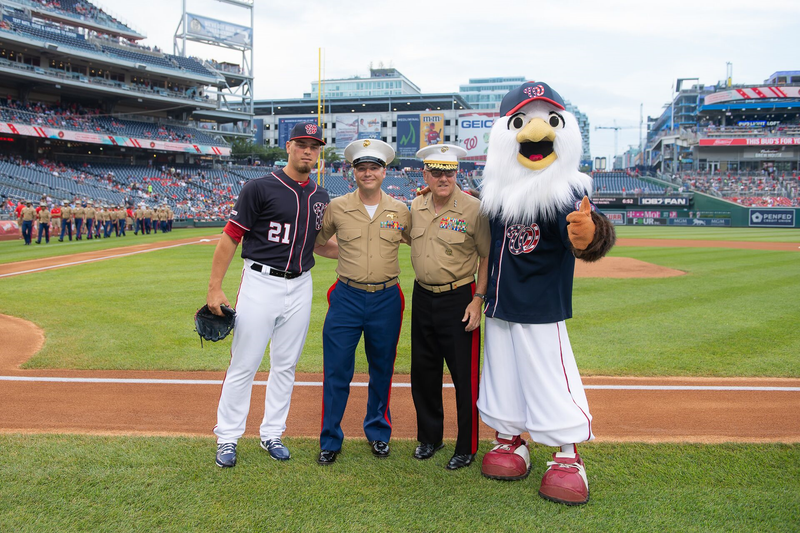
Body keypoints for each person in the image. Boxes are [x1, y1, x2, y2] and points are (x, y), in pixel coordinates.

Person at [208, 122, 336, 468]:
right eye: (302, 144)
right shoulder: (259, 188)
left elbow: (319, 245)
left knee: (286, 365)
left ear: (318, 153)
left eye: (314, 146)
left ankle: (273, 433)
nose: (308, 151)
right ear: (289, 146)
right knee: (245, 362)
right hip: (261, 282)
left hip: (301, 284)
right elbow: (230, 237)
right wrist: (215, 287)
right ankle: (228, 436)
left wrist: (368, 251)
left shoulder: (321, 196)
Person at [315, 139, 411, 465]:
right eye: (362, 168)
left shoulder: (400, 210)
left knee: (382, 369)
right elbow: (318, 243)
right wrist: (349, 256)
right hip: (347, 296)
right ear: (353, 172)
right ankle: (330, 439)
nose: (368, 173)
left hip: (386, 298)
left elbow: (420, 240)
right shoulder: (337, 207)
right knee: (336, 371)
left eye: (374, 168)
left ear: (384, 172)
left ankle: (378, 433)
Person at [409, 145, 490, 470]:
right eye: (436, 172)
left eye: (449, 172)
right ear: (425, 175)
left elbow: (486, 256)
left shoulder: (474, 208)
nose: (443, 178)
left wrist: (478, 299)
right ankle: (430, 438)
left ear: (457, 174)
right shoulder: (416, 205)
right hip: (422, 295)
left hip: (459, 298)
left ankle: (466, 446)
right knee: (424, 372)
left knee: (464, 377)